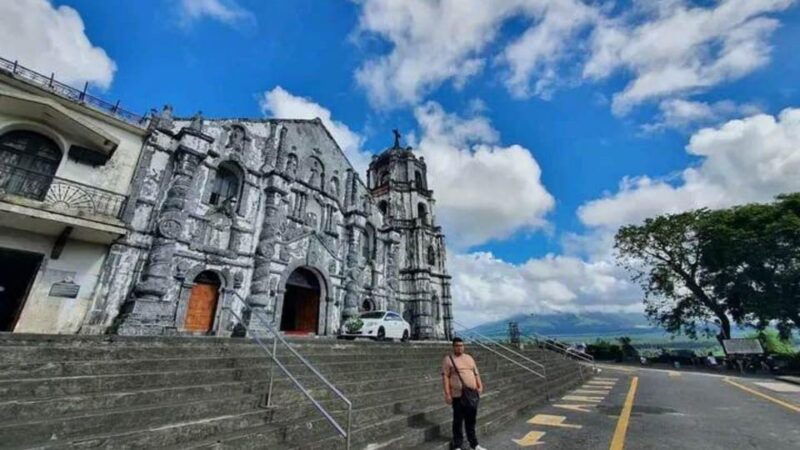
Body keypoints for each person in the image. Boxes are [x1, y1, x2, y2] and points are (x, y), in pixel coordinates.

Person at [442, 337, 486, 450]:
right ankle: (457, 445)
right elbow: (445, 377)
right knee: (458, 421)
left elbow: (476, 373)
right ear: (453, 347)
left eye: (461, 345)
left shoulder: (469, 358)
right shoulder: (448, 359)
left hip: (472, 394)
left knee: (471, 420)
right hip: (458, 395)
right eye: (457, 345)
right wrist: (447, 393)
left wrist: (480, 386)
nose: (460, 347)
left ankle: (474, 444)